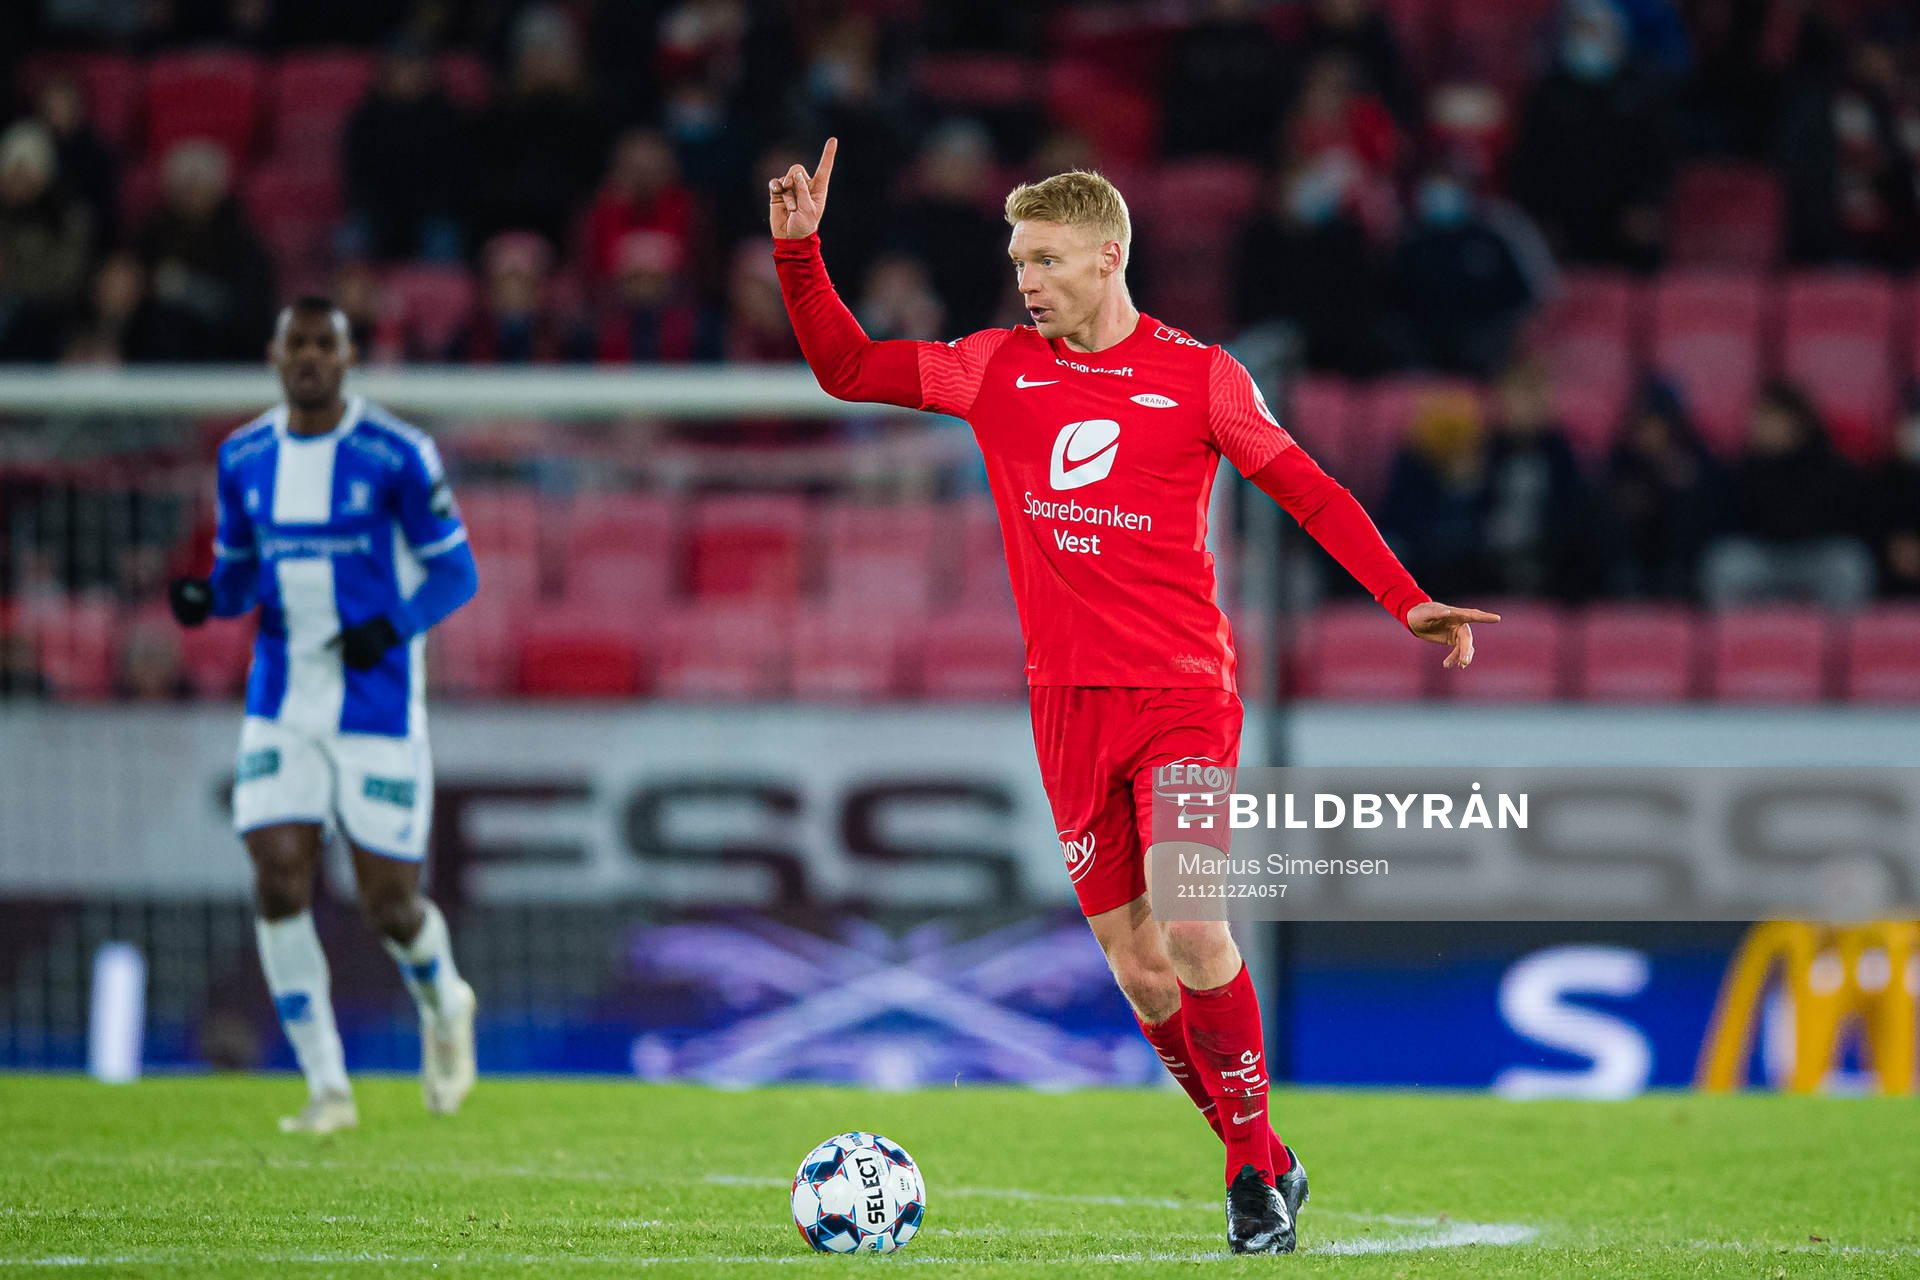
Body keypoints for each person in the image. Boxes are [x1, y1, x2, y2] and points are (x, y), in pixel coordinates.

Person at [768, 140, 1496, 1253]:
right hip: (1065, 705)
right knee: (1138, 964)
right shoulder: (994, 366)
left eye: (1048, 259)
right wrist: (798, 252)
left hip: (1183, 698)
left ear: (1109, 256)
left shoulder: (1201, 377)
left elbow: (1309, 491)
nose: (1029, 279)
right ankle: (1265, 1159)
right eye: (1020, 260)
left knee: (1194, 921)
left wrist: (1406, 603)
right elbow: (848, 370)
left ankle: (1252, 1183)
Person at [166, 298, 480, 1134]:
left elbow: (457, 575)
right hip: (281, 699)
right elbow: (238, 574)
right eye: (295, 344)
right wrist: (207, 597)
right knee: (276, 875)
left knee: (388, 904)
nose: (308, 357)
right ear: (274, 355)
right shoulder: (243, 456)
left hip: (375, 704)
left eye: (324, 345)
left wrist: (393, 625)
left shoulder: (398, 454)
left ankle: (444, 1001)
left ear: (348, 359)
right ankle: (326, 1086)